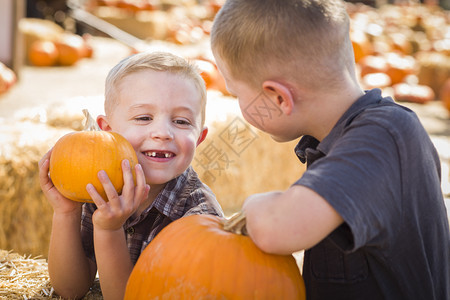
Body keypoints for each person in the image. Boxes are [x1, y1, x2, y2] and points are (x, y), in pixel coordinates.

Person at [210, 0, 450, 299]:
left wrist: (255, 205)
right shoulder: (345, 140)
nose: (237, 103)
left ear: (278, 98)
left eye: (236, 94)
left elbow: (277, 228)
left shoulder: (383, 137)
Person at [38, 51, 223, 300]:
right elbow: (70, 290)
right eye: (144, 118)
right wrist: (66, 212)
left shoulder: (199, 217)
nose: (163, 133)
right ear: (107, 132)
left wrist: (109, 230)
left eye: (181, 121)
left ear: (199, 138)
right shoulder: (100, 190)